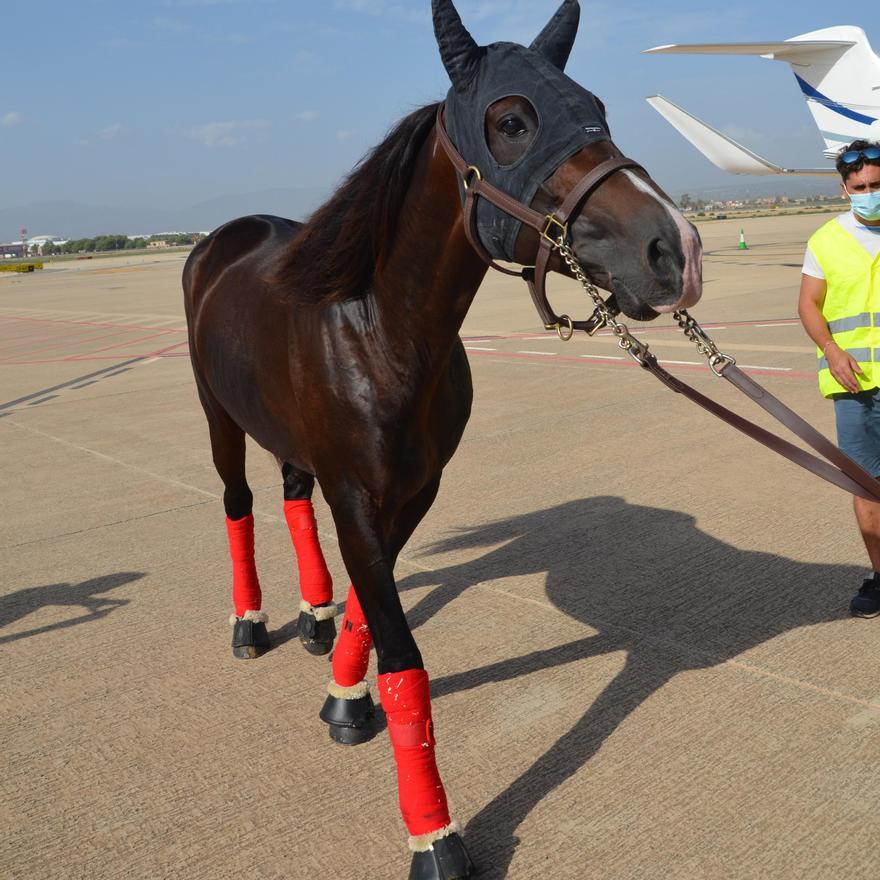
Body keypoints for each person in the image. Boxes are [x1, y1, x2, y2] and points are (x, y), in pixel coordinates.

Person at [798, 139, 880, 617]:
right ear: (845, 188)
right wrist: (830, 349)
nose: (870, 192)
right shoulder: (825, 240)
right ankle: (879, 575)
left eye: (877, 184)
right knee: (866, 485)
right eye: (861, 186)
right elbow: (808, 305)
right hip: (855, 387)